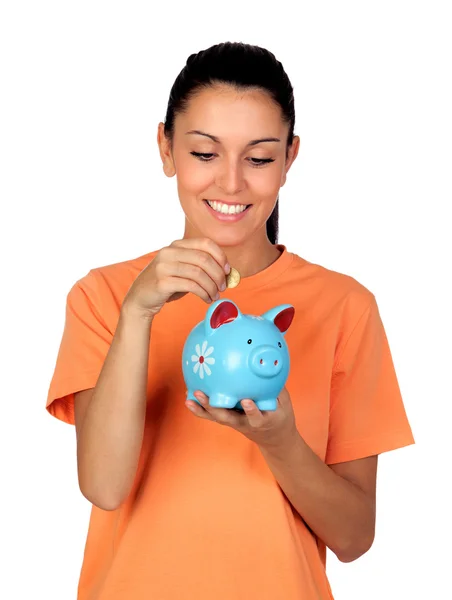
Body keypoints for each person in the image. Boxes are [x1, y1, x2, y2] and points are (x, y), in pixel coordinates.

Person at [46, 42, 415, 600]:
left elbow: (354, 536)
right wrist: (138, 313)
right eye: (204, 153)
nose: (232, 184)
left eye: (259, 158)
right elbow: (103, 486)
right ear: (166, 149)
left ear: (290, 160)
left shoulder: (345, 307)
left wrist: (283, 442)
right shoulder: (104, 296)